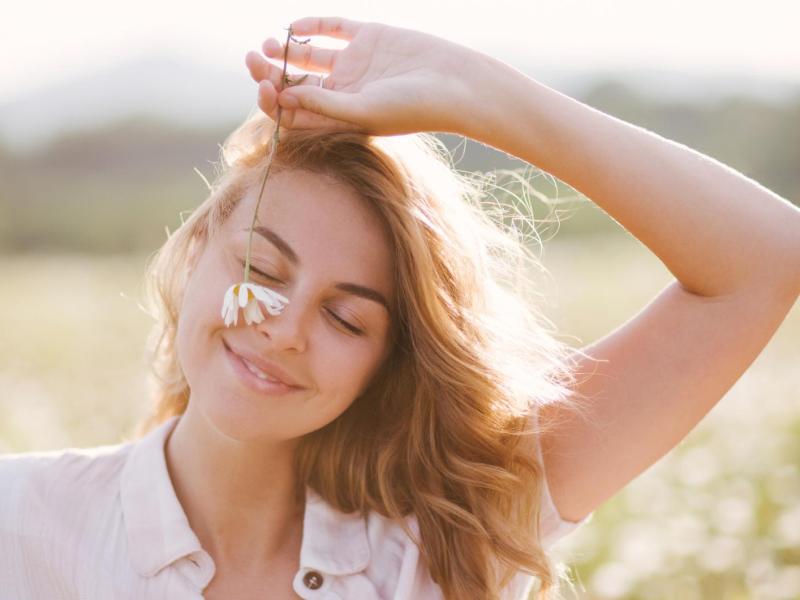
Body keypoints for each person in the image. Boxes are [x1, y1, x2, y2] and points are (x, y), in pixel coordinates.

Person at [1, 14, 798, 600]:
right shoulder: (20, 522)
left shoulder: (451, 536)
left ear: (388, 360)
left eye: (347, 319)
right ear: (194, 251)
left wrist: (477, 92)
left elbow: (765, 258)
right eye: (261, 270)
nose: (283, 329)